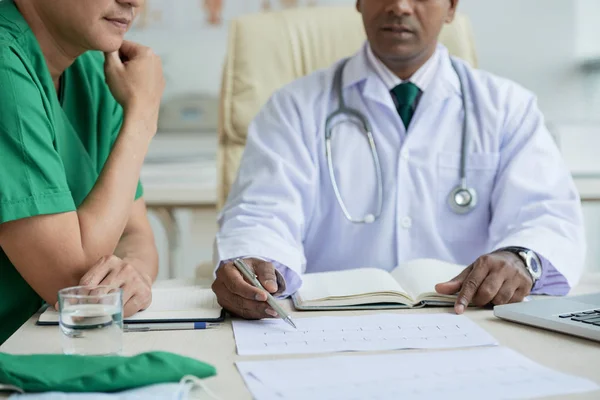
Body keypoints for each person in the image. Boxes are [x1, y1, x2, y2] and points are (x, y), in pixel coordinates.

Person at [212, 0, 586, 320]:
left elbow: (546, 215)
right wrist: (258, 263)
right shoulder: (293, 107)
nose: (399, 6)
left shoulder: (507, 108)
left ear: (452, 7)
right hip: (324, 324)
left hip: (469, 320)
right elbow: (261, 212)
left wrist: (522, 258)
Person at [0, 0, 165, 344]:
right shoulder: (4, 64)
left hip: (55, 352)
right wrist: (143, 116)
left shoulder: (95, 70)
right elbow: (71, 285)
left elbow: (136, 236)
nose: (135, 2)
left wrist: (132, 275)